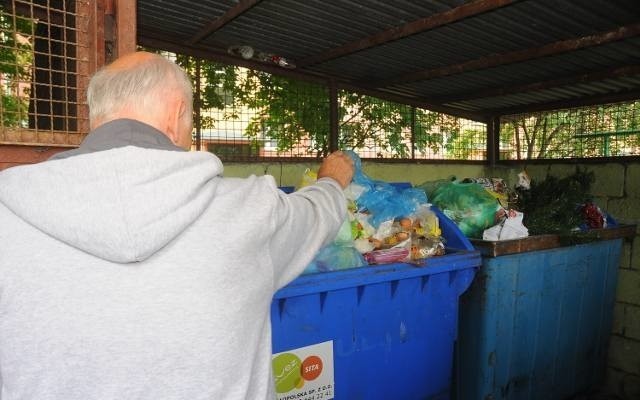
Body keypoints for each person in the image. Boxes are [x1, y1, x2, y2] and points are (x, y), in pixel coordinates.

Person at [0, 51, 354, 400]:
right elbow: (316, 215)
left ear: (97, 118)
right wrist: (331, 180)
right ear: (177, 113)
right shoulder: (249, 209)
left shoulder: (8, 213)